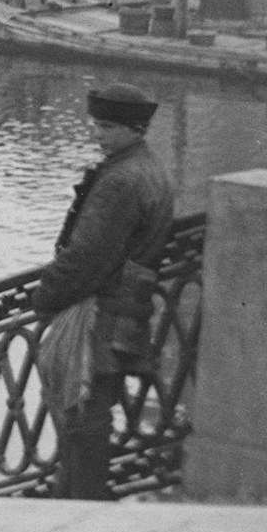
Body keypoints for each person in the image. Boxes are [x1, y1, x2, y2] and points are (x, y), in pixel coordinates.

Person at [33, 83, 174, 501]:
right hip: (126, 309)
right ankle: (72, 502)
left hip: (102, 313)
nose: (98, 134)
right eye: (96, 124)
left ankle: (84, 507)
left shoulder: (121, 180)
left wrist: (44, 296)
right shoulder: (149, 168)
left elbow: (87, 257)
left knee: (83, 415)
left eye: (108, 127)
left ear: (135, 129)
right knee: (88, 414)